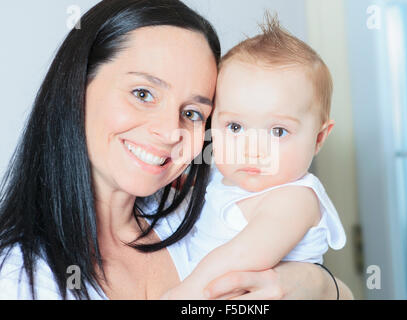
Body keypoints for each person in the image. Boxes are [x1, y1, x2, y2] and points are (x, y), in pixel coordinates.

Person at [0, 0, 352, 299]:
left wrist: (318, 284)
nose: (171, 131)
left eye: (192, 113)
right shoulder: (18, 276)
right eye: (142, 94)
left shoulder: (180, 216)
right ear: (76, 87)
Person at [161, 15, 347, 300]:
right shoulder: (225, 178)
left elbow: (242, 256)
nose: (251, 149)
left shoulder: (295, 199)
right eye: (235, 127)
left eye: (278, 131)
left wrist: (179, 296)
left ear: (319, 138)